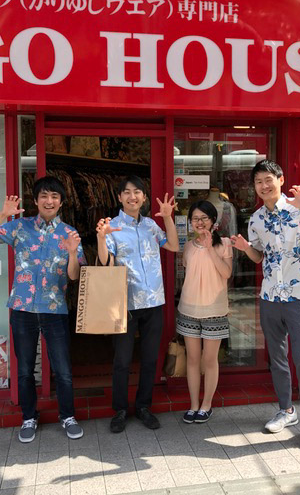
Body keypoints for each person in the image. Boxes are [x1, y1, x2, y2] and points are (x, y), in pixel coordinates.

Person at [231, 160, 300, 454]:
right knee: (277, 358)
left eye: (268, 179)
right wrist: (245, 249)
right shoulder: (256, 219)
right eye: (258, 182)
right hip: (270, 298)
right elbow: (259, 256)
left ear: (280, 179)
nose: (264, 186)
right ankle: (286, 410)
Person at [0, 176, 85, 443]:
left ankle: (67, 416)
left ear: (62, 202)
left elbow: (74, 276)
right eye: (44, 196)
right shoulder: (20, 227)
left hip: (54, 310)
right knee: (25, 369)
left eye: (55, 197)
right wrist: (3, 215)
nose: (49, 201)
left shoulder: (69, 233)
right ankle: (28, 417)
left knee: (63, 369)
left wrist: (73, 253)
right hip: (22, 309)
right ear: (36, 200)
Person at [96, 175, 179, 433]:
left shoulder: (151, 226)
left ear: (144, 197)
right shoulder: (112, 226)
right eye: (127, 192)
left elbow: (173, 246)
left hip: (153, 301)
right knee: (122, 360)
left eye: (137, 192)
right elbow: (105, 263)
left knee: (150, 359)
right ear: (119, 197)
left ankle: (143, 406)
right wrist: (101, 238)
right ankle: (120, 409)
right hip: (126, 303)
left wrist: (167, 218)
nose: (132, 196)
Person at [177, 201, 232, 424]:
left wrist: (210, 248)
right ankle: (193, 405)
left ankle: (206, 404)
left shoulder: (224, 244)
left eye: (204, 218)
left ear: (213, 221)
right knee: (192, 359)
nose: (200, 222)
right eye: (195, 218)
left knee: (209, 360)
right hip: (188, 309)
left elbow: (226, 273)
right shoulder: (188, 247)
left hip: (214, 310)